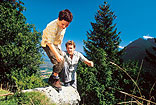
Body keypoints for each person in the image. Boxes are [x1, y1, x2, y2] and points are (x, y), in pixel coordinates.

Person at [41, 9, 73, 89]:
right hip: (47, 44)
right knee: (59, 60)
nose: (64, 27)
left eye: (66, 25)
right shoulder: (52, 26)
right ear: (58, 19)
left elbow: (59, 41)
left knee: (63, 60)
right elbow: (49, 43)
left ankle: (55, 77)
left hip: (55, 44)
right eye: (63, 24)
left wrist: (60, 51)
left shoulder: (63, 27)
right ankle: (53, 80)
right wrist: (57, 55)